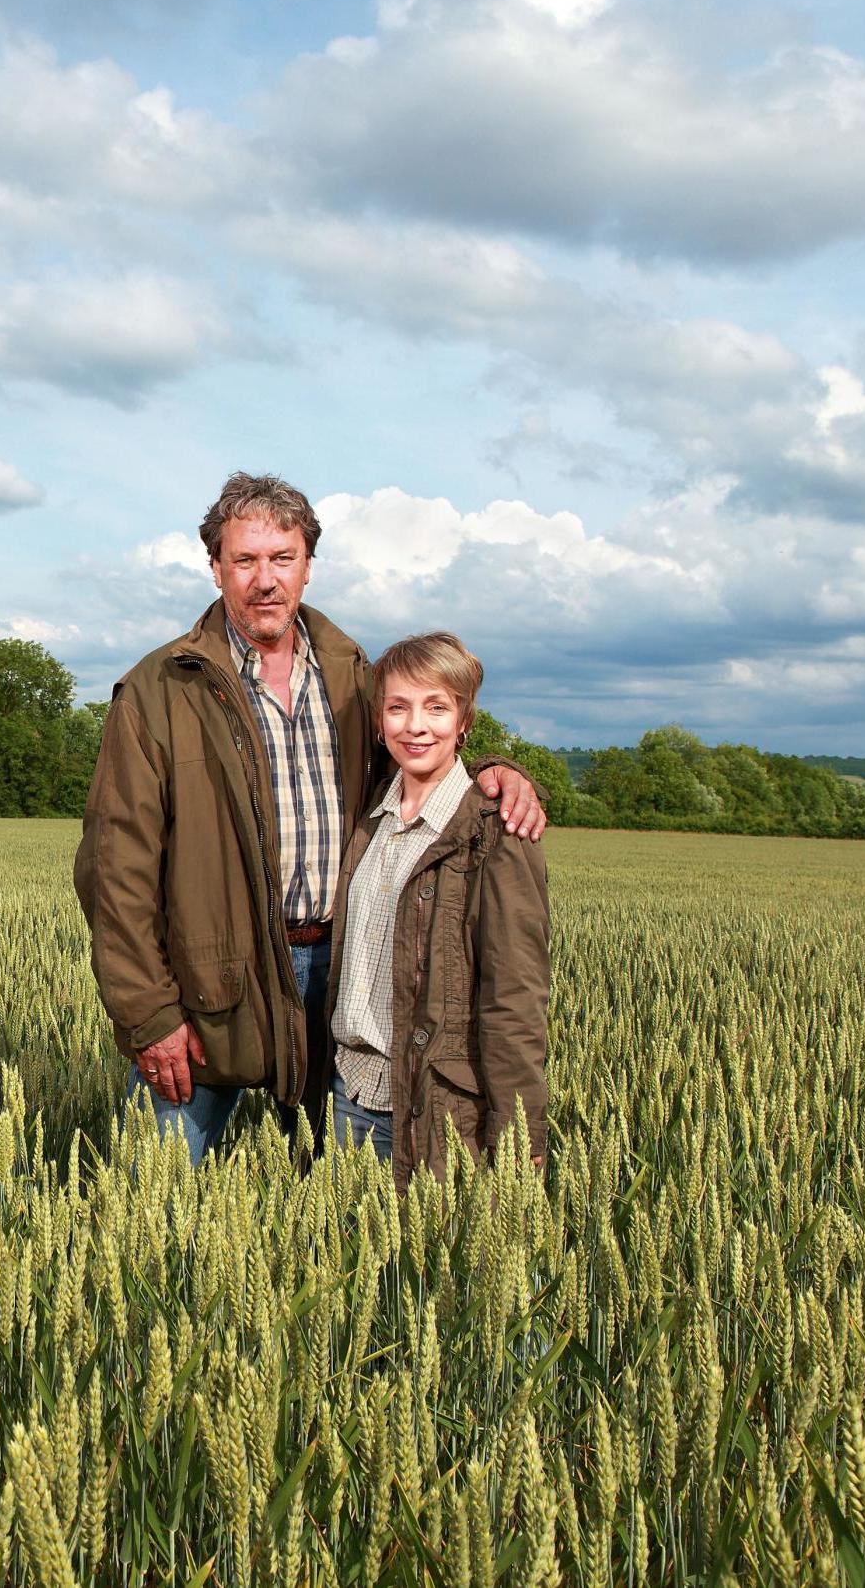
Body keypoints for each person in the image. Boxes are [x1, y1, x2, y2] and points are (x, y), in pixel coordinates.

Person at [72, 472, 545, 1165]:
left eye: (282, 558)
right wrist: (149, 1015)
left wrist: (494, 772)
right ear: (217, 567)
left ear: (308, 565)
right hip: (212, 986)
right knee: (151, 1190)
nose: (265, 580)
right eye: (246, 560)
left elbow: (419, 750)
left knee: (331, 1204)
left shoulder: (353, 671)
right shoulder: (159, 689)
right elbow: (116, 869)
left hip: (343, 975)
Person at [323, 633, 549, 1183]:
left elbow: (514, 996)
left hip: (430, 1110)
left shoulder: (496, 833)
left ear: (464, 719)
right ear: (379, 721)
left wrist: (521, 1136)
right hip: (345, 1095)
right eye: (398, 707)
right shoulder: (368, 815)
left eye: (437, 707)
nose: (416, 725)